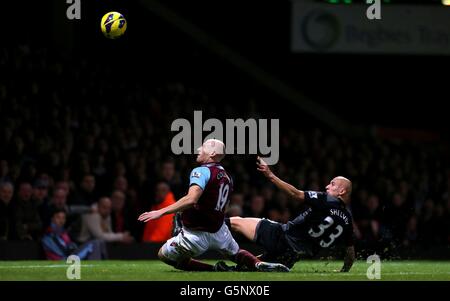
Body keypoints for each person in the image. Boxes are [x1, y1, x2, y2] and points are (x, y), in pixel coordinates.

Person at [138, 139, 289, 272]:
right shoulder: (228, 177)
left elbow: (191, 199)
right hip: (218, 231)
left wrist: (160, 212)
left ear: (212, 153)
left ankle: (212, 269)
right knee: (236, 253)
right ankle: (257, 264)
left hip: (195, 235)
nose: (198, 149)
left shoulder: (201, 171)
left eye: (203, 147)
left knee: (163, 255)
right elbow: (225, 206)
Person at [226, 157, 356, 272]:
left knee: (236, 222)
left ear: (342, 191)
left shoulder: (326, 199)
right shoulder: (348, 219)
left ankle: (208, 224)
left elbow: (295, 194)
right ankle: (232, 268)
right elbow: (350, 253)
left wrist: (271, 175)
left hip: (281, 237)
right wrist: (343, 271)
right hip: (291, 257)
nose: (327, 186)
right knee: (252, 265)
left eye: (332, 184)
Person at [42, 209, 107, 260]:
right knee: (94, 244)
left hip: (70, 258)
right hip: (62, 262)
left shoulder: (62, 233)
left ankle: (103, 269)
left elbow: (71, 247)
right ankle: (96, 271)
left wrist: (74, 247)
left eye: (63, 218)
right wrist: (74, 248)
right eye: (58, 217)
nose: (61, 221)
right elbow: (64, 252)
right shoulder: (49, 236)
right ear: (52, 219)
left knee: (100, 242)